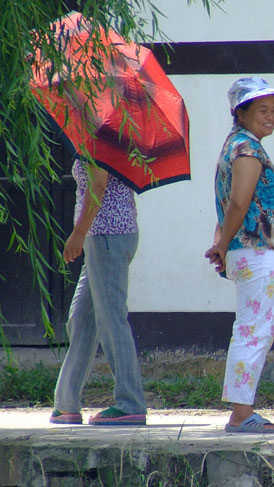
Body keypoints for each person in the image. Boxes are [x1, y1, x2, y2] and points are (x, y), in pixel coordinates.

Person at [205, 77, 274, 434]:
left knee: (256, 327)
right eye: (262, 109)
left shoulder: (235, 145)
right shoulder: (248, 150)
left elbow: (226, 203)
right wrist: (223, 244)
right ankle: (241, 414)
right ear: (240, 113)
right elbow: (239, 203)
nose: (271, 115)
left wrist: (221, 242)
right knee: (254, 329)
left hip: (249, 250)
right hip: (255, 250)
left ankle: (242, 410)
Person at [50, 159, 147, 426]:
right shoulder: (98, 135)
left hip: (108, 235)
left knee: (111, 320)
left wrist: (78, 233)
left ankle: (130, 404)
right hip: (103, 237)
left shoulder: (100, 136)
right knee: (82, 318)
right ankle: (66, 404)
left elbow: (99, 185)